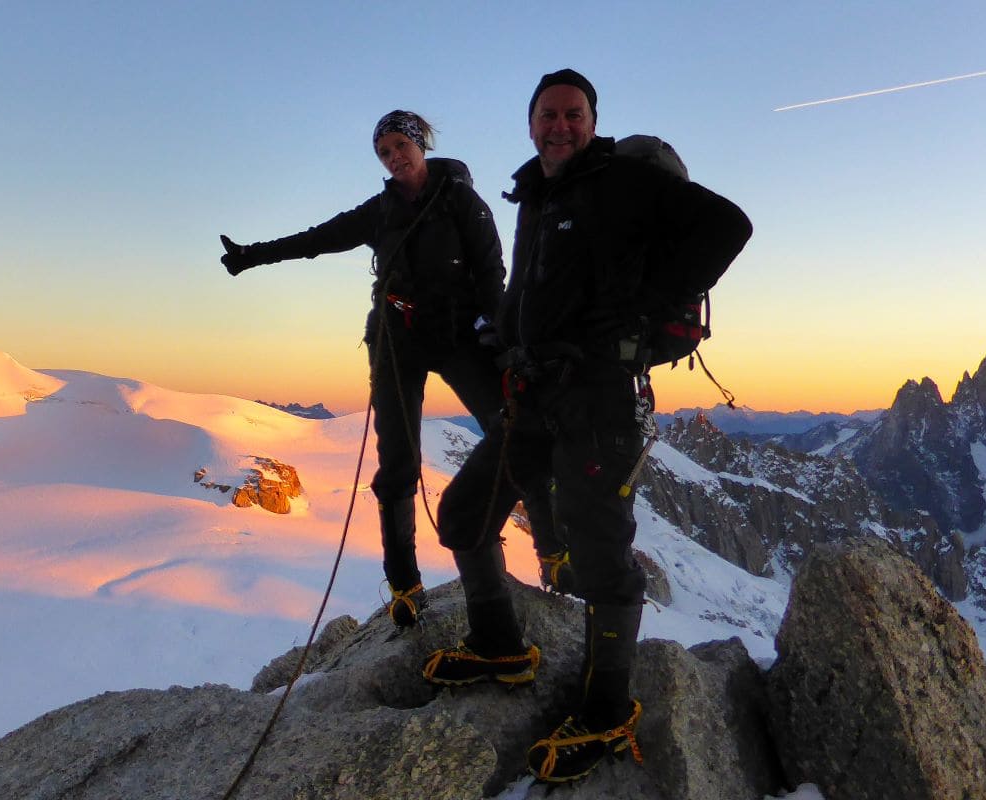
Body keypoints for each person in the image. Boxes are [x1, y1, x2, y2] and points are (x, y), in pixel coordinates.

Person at [220, 110, 550, 687]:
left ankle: (551, 542)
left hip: (458, 337)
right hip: (397, 341)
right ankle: (404, 583)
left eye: (401, 146)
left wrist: (506, 348)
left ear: (421, 144)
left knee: (512, 427)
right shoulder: (381, 210)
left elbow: (494, 280)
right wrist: (252, 255)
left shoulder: (464, 204)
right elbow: (319, 240)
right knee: (396, 460)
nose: (394, 158)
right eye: (384, 152)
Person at [497, 69, 752, 783]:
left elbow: (728, 226)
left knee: (605, 546)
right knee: (531, 476)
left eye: (573, 115)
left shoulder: (618, 181)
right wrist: (510, 342)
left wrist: (644, 309)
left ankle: (607, 710)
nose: (560, 126)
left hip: (603, 396)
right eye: (548, 115)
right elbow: (535, 285)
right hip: (544, 384)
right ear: (531, 123)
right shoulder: (539, 194)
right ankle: (560, 568)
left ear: (592, 120)